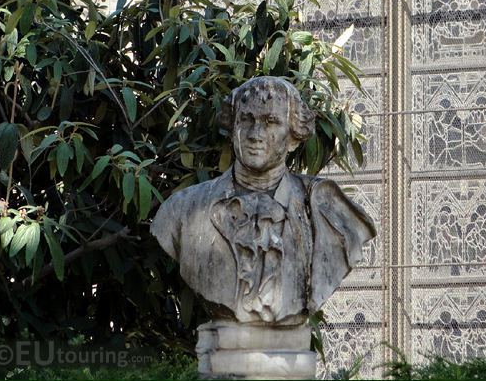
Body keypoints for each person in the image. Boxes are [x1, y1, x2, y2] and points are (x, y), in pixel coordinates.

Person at [151, 76, 376, 325]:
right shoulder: (182, 210)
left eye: (270, 122)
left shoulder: (327, 210)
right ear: (233, 127)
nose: (255, 134)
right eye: (246, 120)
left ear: (293, 137)